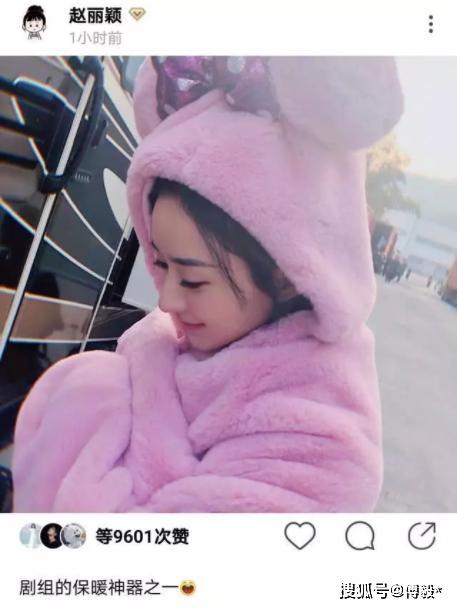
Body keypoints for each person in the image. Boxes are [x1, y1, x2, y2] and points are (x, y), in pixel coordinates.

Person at [12, 57, 403, 513]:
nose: (165, 301)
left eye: (194, 279)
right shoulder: (162, 343)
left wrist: (83, 412)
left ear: (286, 273)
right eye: (160, 264)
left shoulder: (323, 446)